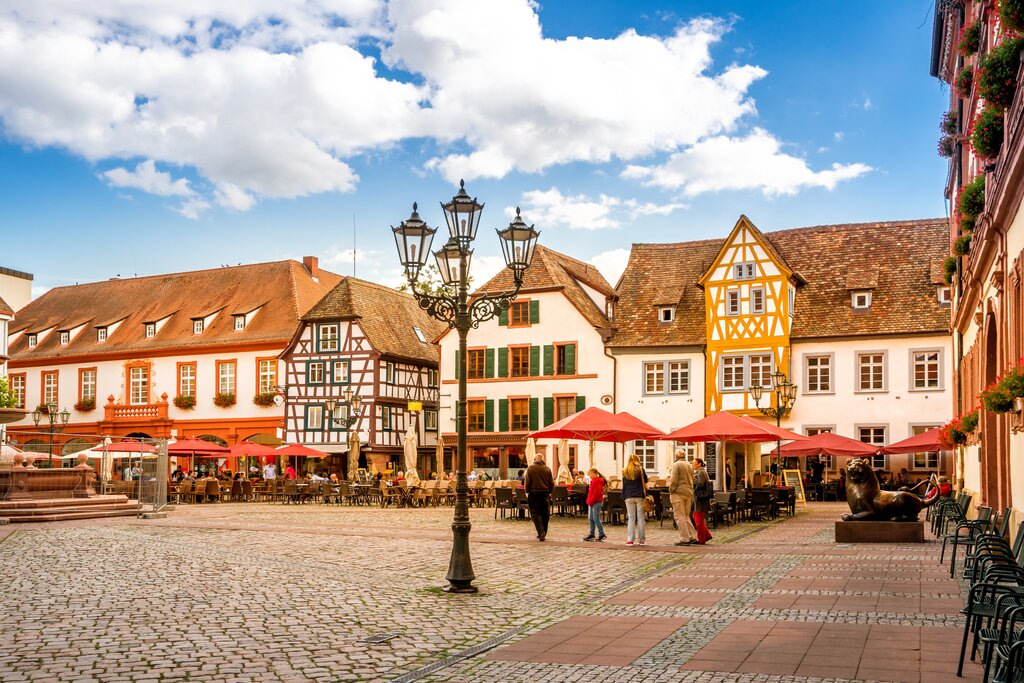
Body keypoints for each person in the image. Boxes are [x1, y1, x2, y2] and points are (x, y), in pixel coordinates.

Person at [668, 450, 698, 546]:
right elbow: (692, 479)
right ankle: (693, 536)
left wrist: (671, 490)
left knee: (679, 516)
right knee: (686, 515)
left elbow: (673, 480)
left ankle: (684, 539)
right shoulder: (689, 465)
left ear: (676, 456)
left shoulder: (676, 465)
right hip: (688, 492)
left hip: (678, 492)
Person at [524, 454, 554, 541]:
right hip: (545, 493)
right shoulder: (547, 468)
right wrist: (549, 492)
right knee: (545, 513)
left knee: (535, 513)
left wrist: (527, 491)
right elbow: (552, 482)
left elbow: (527, 481)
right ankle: (544, 531)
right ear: (542, 459)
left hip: (534, 493)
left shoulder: (530, 468)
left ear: (535, 459)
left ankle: (541, 532)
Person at [621, 453, 648, 546]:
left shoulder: (625, 470)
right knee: (641, 518)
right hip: (639, 495)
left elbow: (624, 485)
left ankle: (630, 539)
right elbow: (645, 483)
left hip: (628, 495)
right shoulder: (640, 470)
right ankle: (641, 540)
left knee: (631, 518)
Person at [692, 458, 713, 545]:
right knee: (696, 516)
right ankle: (707, 535)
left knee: (698, 519)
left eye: (694, 463)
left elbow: (700, 484)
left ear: (699, 464)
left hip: (701, 498)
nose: (692, 464)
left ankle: (701, 539)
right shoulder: (700, 472)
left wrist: (693, 478)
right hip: (700, 498)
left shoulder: (701, 472)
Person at [582, 468, 607, 542]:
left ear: (595, 474)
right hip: (592, 501)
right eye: (589, 474)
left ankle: (601, 534)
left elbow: (597, 493)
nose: (590, 475)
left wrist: (591, 501)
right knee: (591, 518)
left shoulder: (596, 481)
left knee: (595, 518)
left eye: (591, 474)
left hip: (596, 502)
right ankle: (591, 534)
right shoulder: (594, 481)